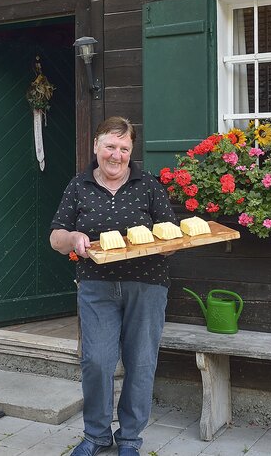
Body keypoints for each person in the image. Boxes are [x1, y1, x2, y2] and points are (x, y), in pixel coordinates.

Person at [50, 116, 176, 456]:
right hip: (96, 284)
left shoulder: (149, 185)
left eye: (124, 148)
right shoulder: (78, 186)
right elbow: (55, 236)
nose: (116, 155)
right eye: (109, 146)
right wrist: (73, 237)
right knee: (97, 361)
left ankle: (131, 439)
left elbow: (171, 233)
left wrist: (162, 241)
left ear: (131, 151)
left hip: (147, 285)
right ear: (96, 147)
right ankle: (96, 435)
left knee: (141, 362)